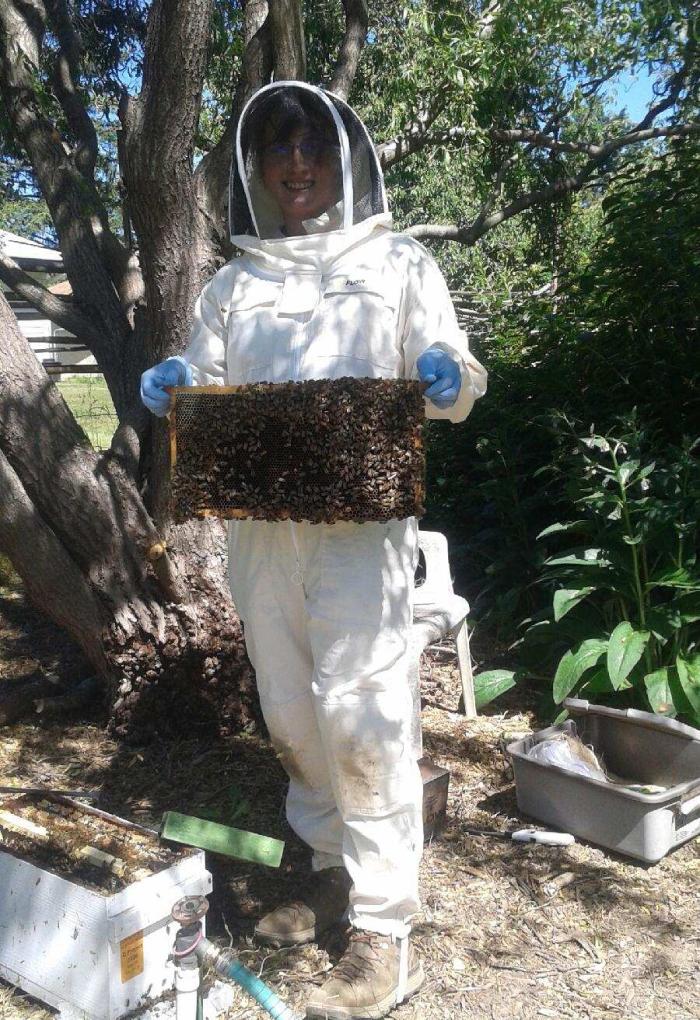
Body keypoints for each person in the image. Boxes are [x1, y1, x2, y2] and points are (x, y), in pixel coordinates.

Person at [141, 81, 487, 1019]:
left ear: (344, 162)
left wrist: (450, 376)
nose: (297, 166)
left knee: (364, 715)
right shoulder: (232, 283)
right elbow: (203, 386)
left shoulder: (401, 263)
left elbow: (454, 378)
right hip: (260, 536)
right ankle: (327, 863)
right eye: (277, 153)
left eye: (313, 150)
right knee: (291, 711)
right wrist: (177, 382)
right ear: (255, 173)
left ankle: (383, 928)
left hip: (361, 537)